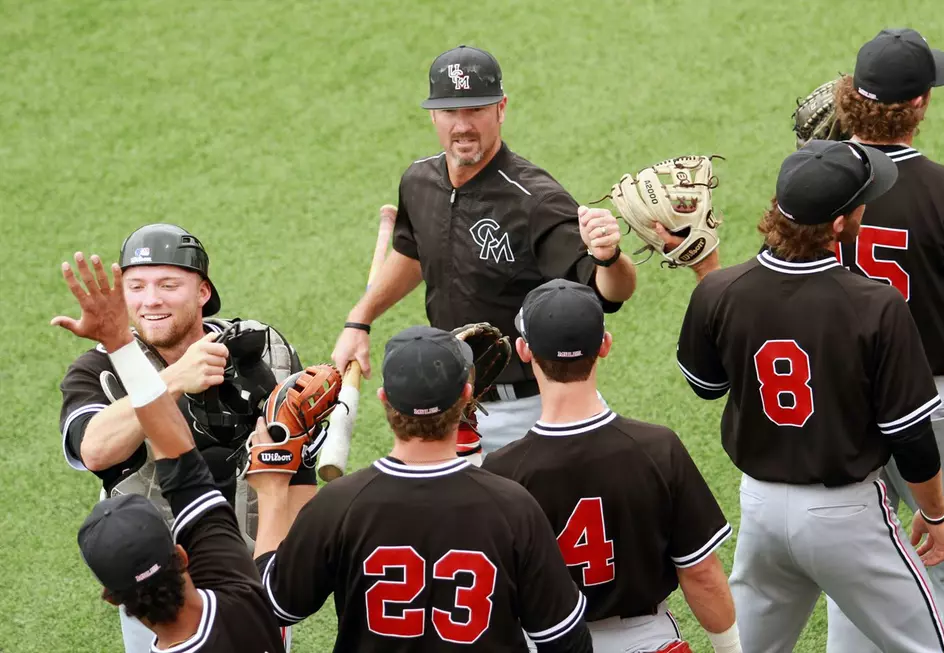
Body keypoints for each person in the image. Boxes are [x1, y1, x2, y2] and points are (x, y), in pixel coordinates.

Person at [675, 140, 944, 652]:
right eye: (863, 201)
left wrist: (705, 270)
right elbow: (909, 436)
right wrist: (934, 513)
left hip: (758, 511)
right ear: (842, 223)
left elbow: (706, 384)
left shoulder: (720, 290)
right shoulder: (876, 305)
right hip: (845, 519)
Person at [331, 45, 637, 453]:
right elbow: (413, 251)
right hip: (452, 407)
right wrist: (360, 319)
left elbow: (609, 292)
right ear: (433, 116)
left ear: (501, 109)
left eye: (475, 109)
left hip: (530, 409)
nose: (463, 126)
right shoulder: (419, 182)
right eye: (450, 112)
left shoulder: (535, 199)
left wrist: (611, 257)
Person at [253, 325, 594, 652]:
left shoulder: (339, 506)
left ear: (385, 401)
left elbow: (270, 606)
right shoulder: (514, 507)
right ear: (466, 395)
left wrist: (272, 489)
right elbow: (565, 640)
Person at [56, 224, 310, 652]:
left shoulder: (263, 348)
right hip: (161, 591)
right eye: (136, 286)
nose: (150, 299)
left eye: (168, 284)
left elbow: (297, 465)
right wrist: (173, 380)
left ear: (203, 292)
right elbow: (94, 450)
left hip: (259, 568)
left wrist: (286, 562)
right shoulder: (96, 370)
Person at [823, 28, 944, 653]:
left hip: (842, 403)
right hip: (935, 401)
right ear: (919, 105)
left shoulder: (817, 188)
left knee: (858, 574)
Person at [482, 279, 741, 653]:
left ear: (524, 351)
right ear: (604, 345)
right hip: (646, 640)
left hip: (550, 644)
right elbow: (701, 574)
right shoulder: (657, 448)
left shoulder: (502, 470)